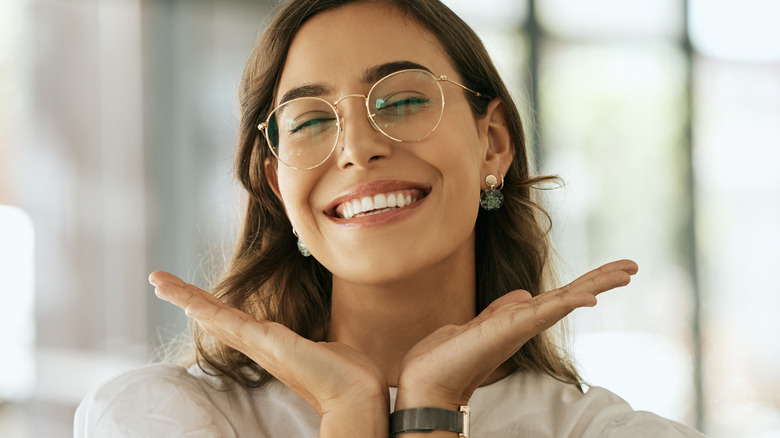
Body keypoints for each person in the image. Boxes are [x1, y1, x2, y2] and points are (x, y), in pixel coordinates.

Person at [75, 0, 706, 436]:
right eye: (312, 121)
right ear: (278, 184)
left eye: (402, 101)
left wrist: (432, 408)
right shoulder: (159, 418)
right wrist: (349, 411)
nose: (355, 149)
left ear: (493, 144)